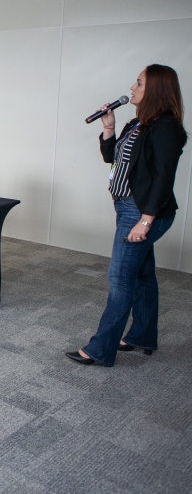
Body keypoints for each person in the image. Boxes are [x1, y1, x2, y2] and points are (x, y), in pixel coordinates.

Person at [66, 64, 187, 367]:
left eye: (139, 83)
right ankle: (141, 336)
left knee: (120, 277)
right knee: (142, 274)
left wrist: (145, 221)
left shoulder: (167, 128)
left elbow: (163, 178)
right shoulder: (137, 123)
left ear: (156, 89)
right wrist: (109, 127)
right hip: (126, 206)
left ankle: (99, 349)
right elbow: (113, 158)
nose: (132, 87)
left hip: (142, 211)